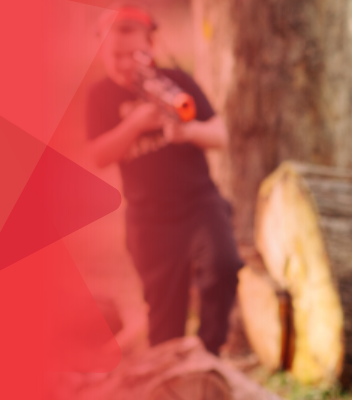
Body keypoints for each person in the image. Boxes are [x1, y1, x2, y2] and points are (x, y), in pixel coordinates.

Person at [85, 3, 241, 356]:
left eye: (133, 53)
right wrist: (135, 124)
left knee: (224, 265)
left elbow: (219, 135)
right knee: (165, 323)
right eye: (116, 55)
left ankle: (207, 353)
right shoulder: (101, 96)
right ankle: (171, 375)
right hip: (149, 219)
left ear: (151, 46)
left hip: (200, 203)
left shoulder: (178, 82)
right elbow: (98, 155)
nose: (126, 64)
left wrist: (189, 133)